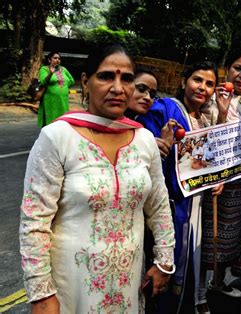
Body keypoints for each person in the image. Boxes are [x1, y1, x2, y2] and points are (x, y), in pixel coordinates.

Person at [19, 44, 175, 313]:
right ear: (85, 82)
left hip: (128, 283)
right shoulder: (57, 137)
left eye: (126, 78)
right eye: (105, 76)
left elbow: (159, 206)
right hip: (71, 287)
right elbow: (34, 221)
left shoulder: (144, 140)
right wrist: (42, 295)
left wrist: (164, 261)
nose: (118, 87)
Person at [137, 61, 228, 314]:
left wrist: (215, 179)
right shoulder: (165, 109)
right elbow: (144, 140)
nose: (203, 87)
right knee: (164, 266)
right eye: (197, 80)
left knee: (189, 265)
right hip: (169, 204)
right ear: (183, 82)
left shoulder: (204, 117)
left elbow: (208, 159)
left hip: (194, 205)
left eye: (210, 84)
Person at [200, 48, 241, 300]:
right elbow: (204, 138)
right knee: (207, 233)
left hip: (239, 180)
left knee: (230, 234)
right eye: (238, 68)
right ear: (227, 69)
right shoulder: (209, 98)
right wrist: (223, 113)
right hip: (211, 179)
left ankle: (218, 281)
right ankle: (200, 290)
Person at [37, 51, 75, 127]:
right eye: (55, 58)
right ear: (49, 60)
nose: (57, 60)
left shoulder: (63, 69)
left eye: (59, 58)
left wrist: (63, 87)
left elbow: (72, 81)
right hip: (50, 101)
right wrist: (50, 73)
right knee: (51, 123)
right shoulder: (44, 69)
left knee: (62, 122)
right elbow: (42, 82)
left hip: (63, 100)